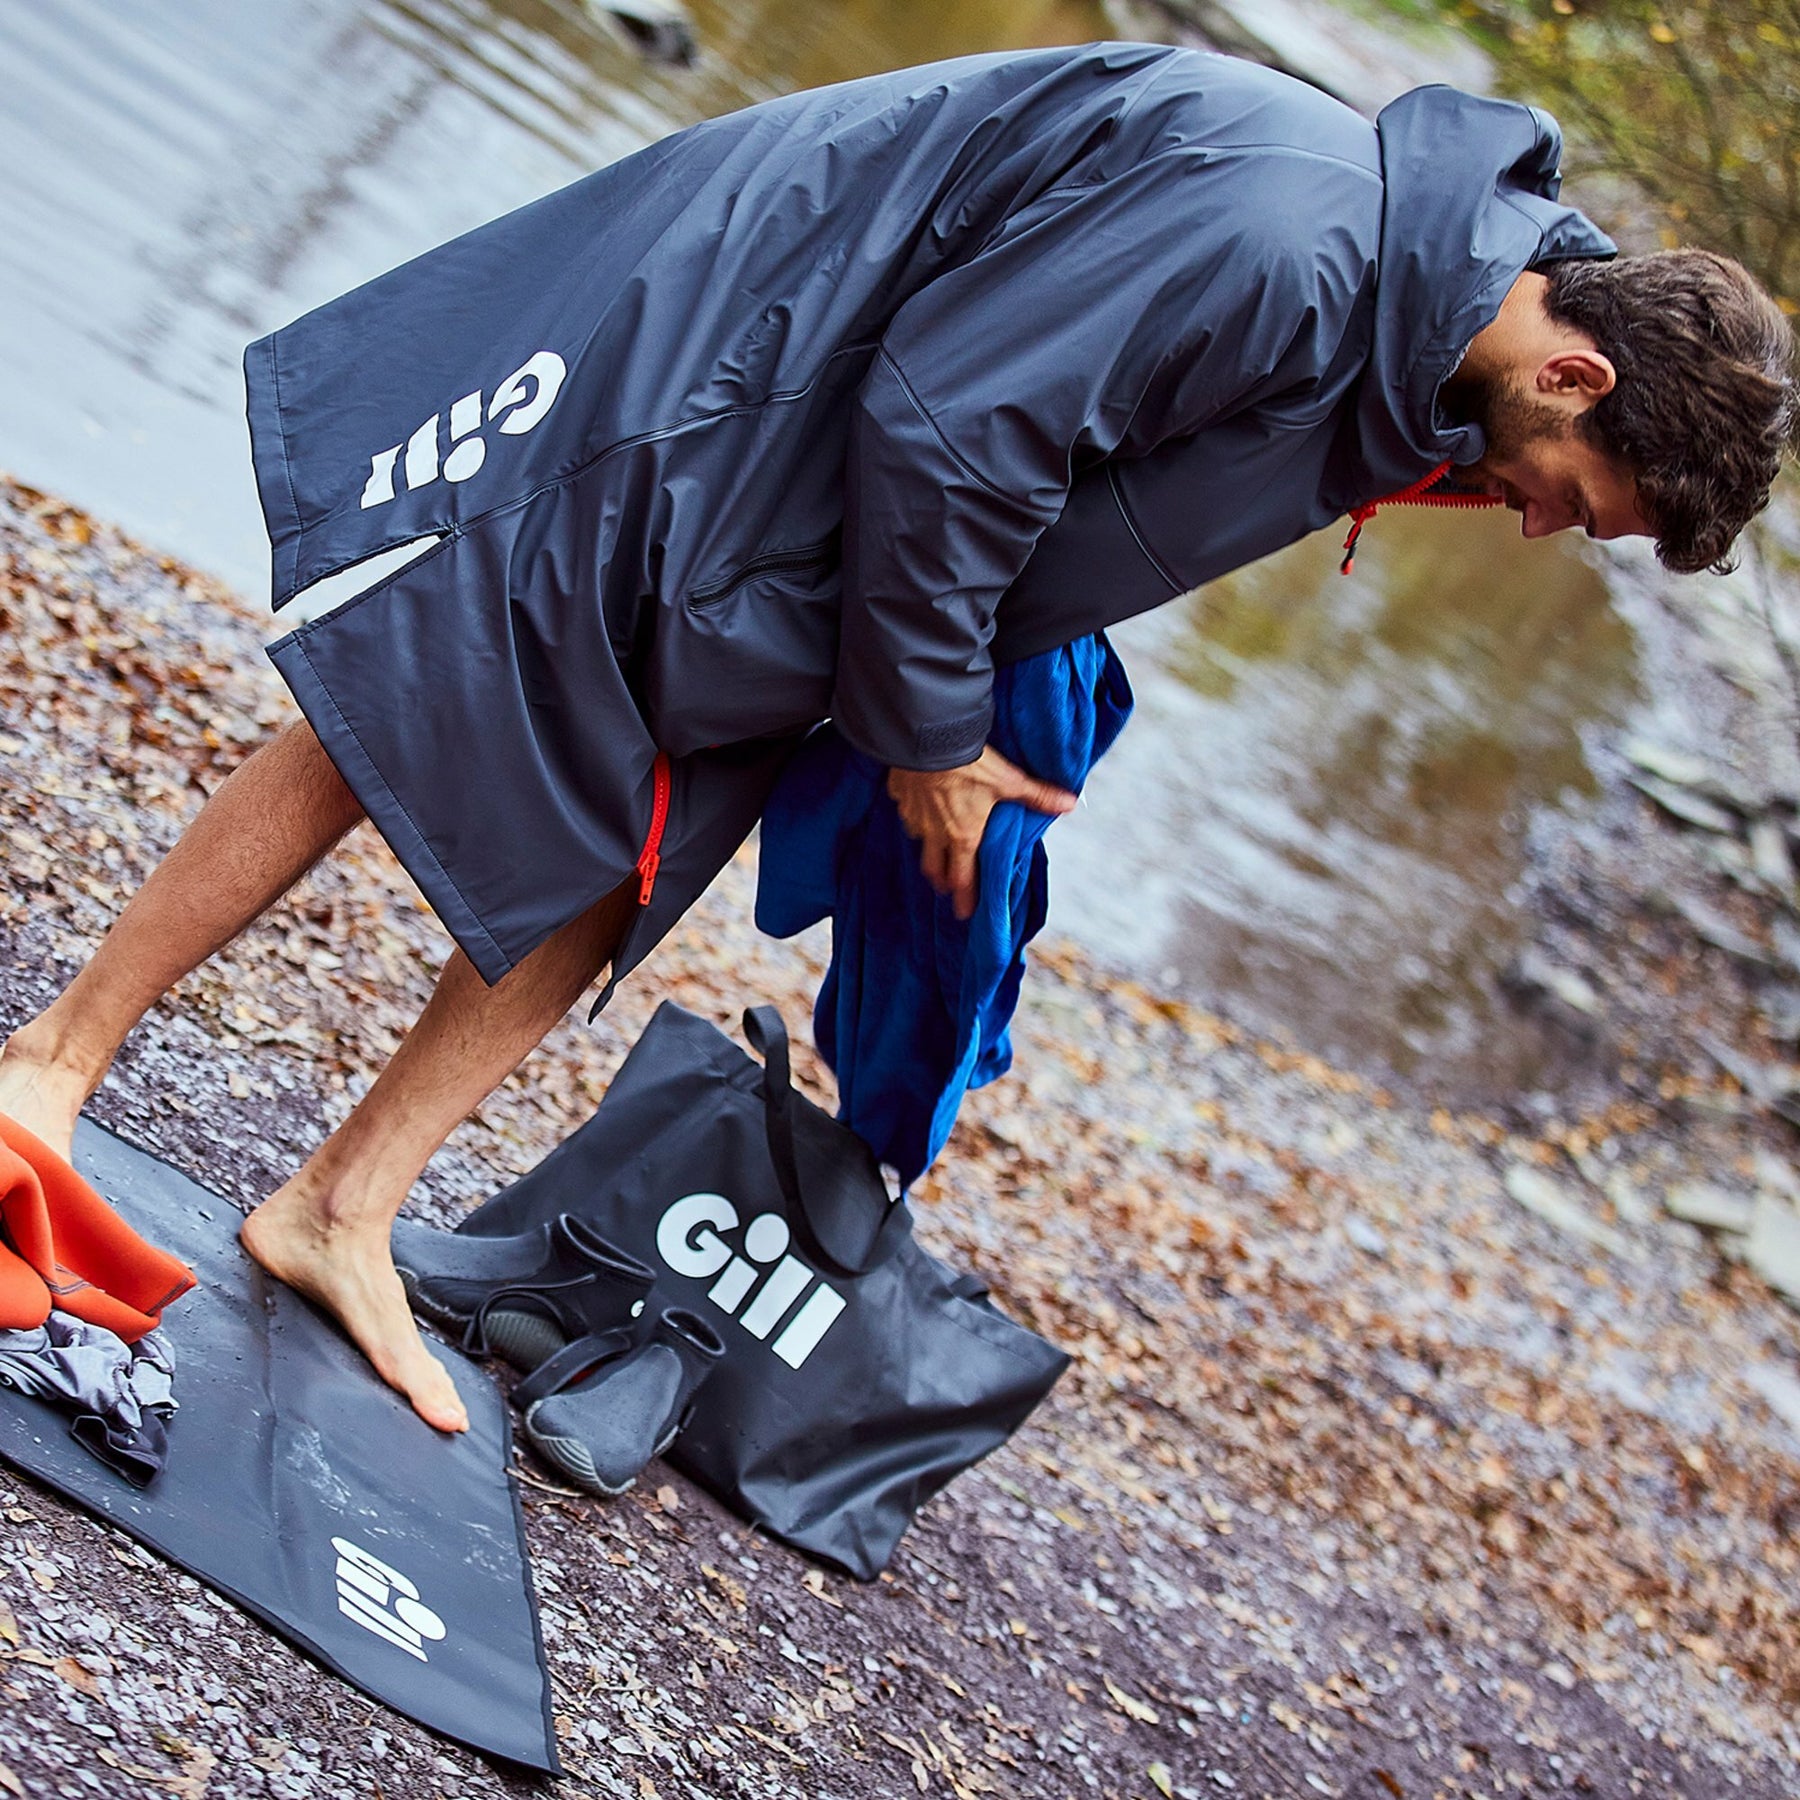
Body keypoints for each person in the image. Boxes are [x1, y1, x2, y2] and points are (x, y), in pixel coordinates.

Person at [0, 45, 1791, 1433]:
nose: (1542, 526)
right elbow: (958, 422)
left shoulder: (1429, 341)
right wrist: (928, 734)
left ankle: (341, 1207)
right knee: (416, 688)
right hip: (741, 388)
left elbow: (1108, 463)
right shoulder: (1299, 236)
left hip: (841, 503)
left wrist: (980, 701)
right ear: (1575, 375)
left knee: (644, 838)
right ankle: (55, 1065)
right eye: (1580, 502)